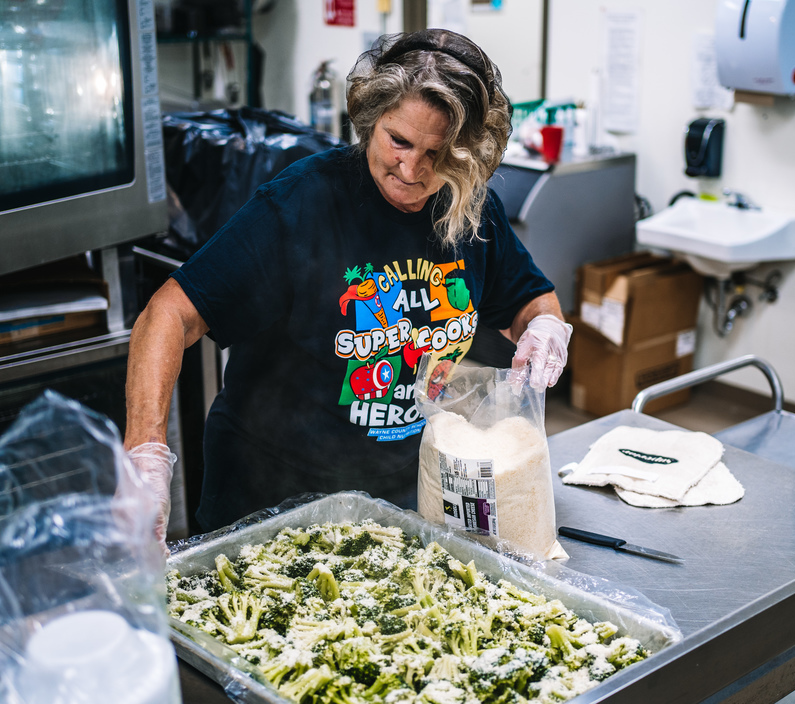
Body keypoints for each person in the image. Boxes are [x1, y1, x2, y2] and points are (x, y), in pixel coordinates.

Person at [124, 29, 573, 546]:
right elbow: (167, 313)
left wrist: (543, 326)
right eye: (398, 140)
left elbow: (528, 298)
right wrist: (146, 454)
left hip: (404, 503)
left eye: (439, 152)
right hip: (270, 505)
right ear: (368, 122)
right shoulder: (299, 204)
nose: (412, 169)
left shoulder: (466, 207)